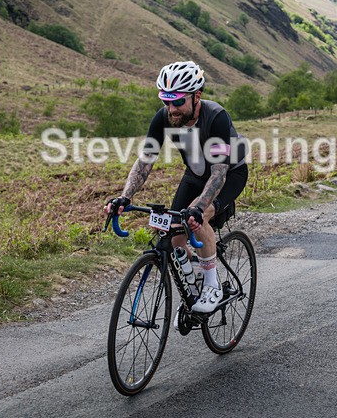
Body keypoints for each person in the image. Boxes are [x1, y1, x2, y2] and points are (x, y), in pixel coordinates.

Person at [104, 61, 248, 314]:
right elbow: (146, 160)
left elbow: (218, 174)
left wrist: (200, 209)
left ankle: (212, 285)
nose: (171, 109)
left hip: (229, 175)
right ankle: (194, 279)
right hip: (195, 174)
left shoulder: (216, 117)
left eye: (178, 101)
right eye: (166, 101)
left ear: (197, 96)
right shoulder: (163, 117)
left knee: (198, 219)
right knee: (173, 233)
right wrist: (125, 197)